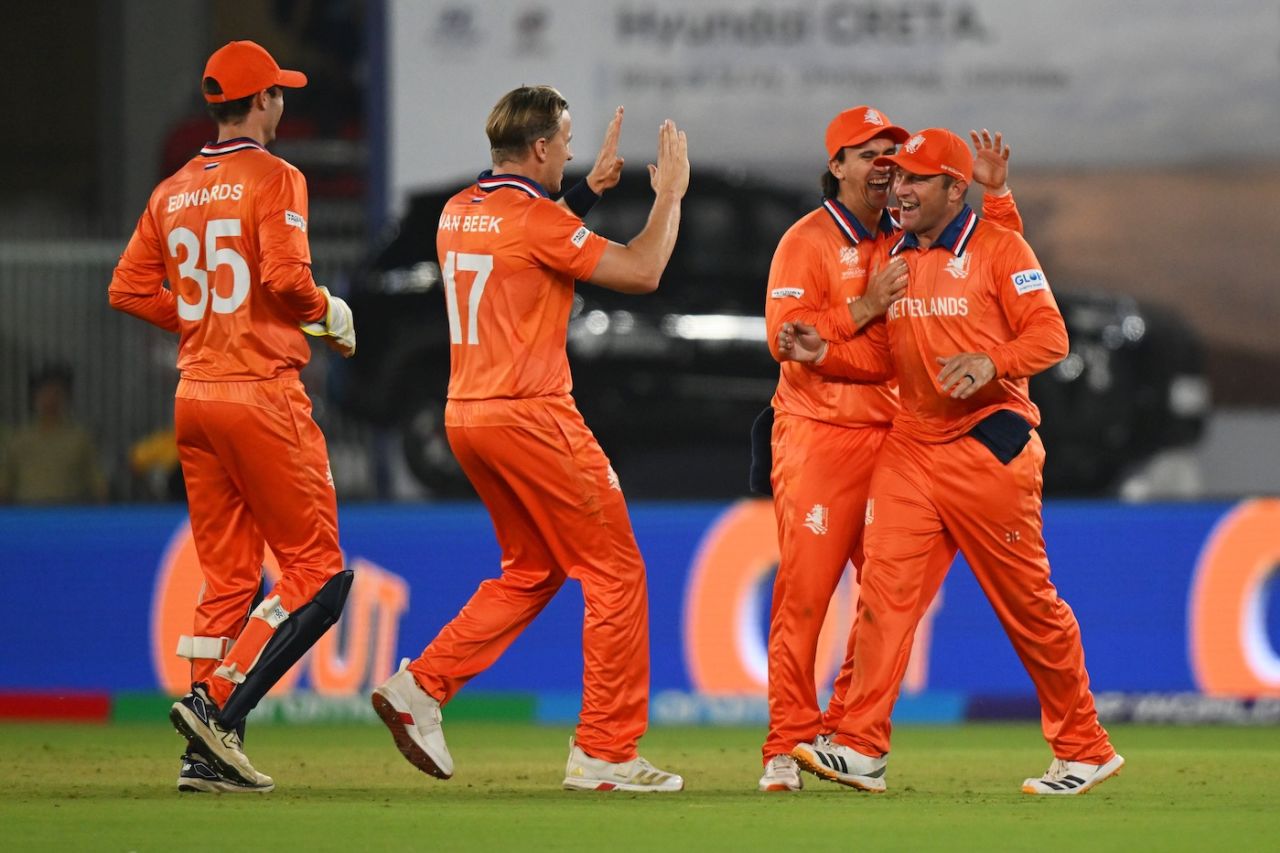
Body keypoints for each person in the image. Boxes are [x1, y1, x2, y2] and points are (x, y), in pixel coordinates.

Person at [778, 128, 1123, 795]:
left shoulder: (1000, 248)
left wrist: (993, 361)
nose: (898, 190)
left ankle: (1084, 746)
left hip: (988, 445)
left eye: (914, 179)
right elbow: (883, 359)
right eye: (895, 177)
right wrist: (823, 353)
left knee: (1027, 605)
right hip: (911, 443)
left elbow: (1051, 335)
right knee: (883, 596)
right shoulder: (896, 258)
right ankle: (860, 745)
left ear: (953, 189)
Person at [370, 86, 689, 793]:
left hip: (467, 415)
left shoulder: (459, 211)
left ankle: (421, 686)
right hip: (531, 414)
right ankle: (605, 749)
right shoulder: (535, 220)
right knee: (615, 572)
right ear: (541, 147)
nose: (573, 151)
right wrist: (669, 196)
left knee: (534, 568)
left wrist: (585, 193)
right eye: (567, 141)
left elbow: (526, 241)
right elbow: (642, 270)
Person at [108, 40, 357, 794]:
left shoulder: (174, 188)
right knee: (319, 574)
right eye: (278, 93)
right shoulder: (277, 176)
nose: (284, 103)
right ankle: (214, 705)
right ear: (262, 102)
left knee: (226, 582)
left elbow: (126, 288)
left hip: (196, 398)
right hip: (260, 392)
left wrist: (199, 322)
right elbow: (285, 276)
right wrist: (327, 314)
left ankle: (204, 757)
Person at [757, 107, 1024, 793]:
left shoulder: (910, 234)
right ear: (837, 165)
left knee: (887, 599)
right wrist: (863, 307)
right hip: (821, 437)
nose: (883, 165)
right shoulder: (806, 241)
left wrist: (997, 195)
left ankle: (844, 732)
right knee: (807, 597)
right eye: (866, 152)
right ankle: (785, 742)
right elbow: (786, 337)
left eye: (891, 154)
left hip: (902, 440)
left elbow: (990, 267)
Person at [0, 365, 107, 504]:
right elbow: (5, 481)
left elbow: (97, 480)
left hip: (68, 512)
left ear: (66, 398)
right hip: (26, 513)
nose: (50, 400)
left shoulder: (79, 438)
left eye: (56, 394)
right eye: (45, 394)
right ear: (35, 398)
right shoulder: (18, 438)